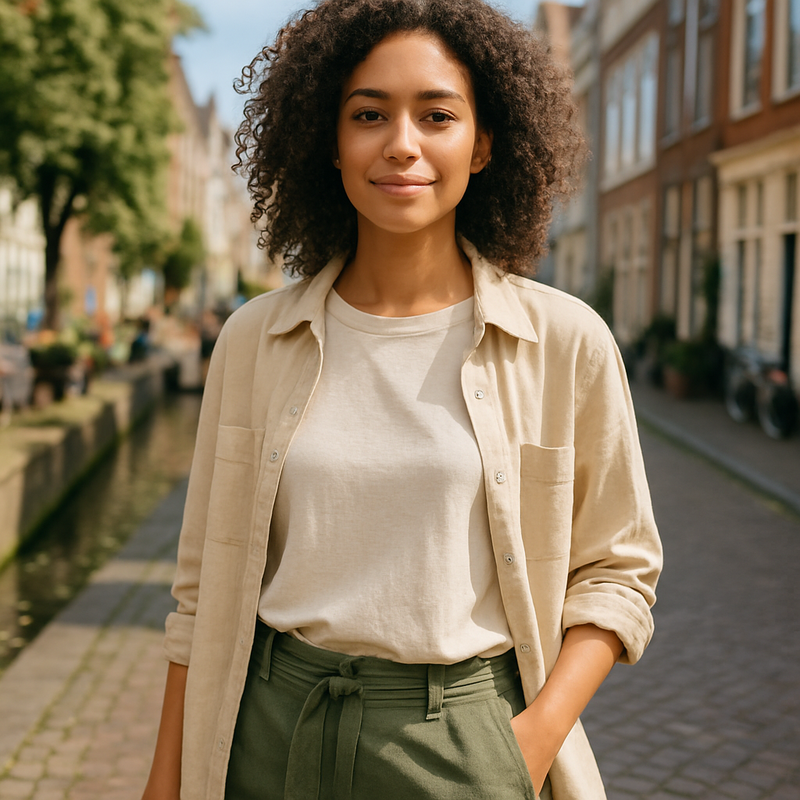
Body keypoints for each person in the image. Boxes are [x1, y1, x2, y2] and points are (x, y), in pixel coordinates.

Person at [141, 1, 662, 798]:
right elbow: (200, 594)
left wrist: (530, 738)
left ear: (484, 143)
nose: (402, 143)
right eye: (369, 114)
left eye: (438, 115)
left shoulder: (565, 342)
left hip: (468, 743)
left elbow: (619, 570)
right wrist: (164, 787)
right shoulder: (251, 341)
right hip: (269, 735)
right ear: (332, 140)